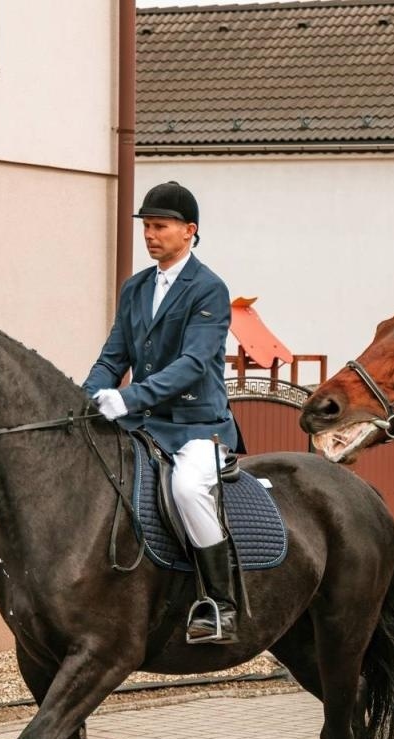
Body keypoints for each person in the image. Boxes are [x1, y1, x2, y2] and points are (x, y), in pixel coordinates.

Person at [82, 180, 242, 644]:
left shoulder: (209, 289)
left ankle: (221, 604)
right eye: (147, 227)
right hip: (144, 424)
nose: (150, 235)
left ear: (189, 230)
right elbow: (114, 357)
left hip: (197, 426)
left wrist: (129, 398)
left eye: (160, 226)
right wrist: (90, 396)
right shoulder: (135, 288)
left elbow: (193, 365)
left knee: (189, 489)